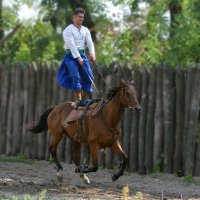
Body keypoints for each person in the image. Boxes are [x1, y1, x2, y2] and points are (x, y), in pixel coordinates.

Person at [57, 7, 96, 109]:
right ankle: (78, 100)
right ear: (73, 18)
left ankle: (85, 99)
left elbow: (90, 42)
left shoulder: (85, 30)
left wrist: (92, 53)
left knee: (90, 76)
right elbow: (71, 44)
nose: (81, 19)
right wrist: (78, 57)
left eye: (82, 17)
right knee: (76, 76)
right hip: (71, 56)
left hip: (82, 55)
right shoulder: (68, 30)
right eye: (79, 17)